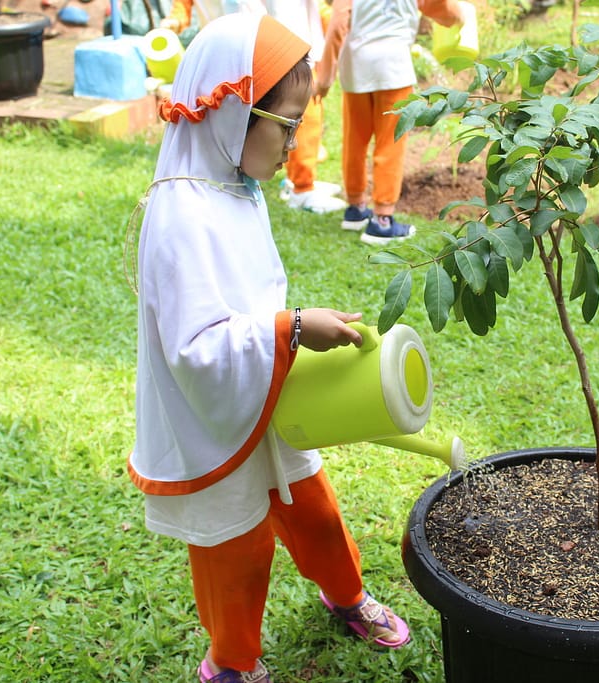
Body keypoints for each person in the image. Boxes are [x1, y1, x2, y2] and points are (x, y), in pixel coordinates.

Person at [129, 14, 410, 683]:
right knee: (235, 544)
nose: (294, 141)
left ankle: (344, 594)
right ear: (229, 110)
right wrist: (288, 330)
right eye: (284, 124)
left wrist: (291, 331)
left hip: (263, 388)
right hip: (215, 415)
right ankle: (230, 661)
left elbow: (253, 290)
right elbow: (195, 350)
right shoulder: (179, 216)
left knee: (312, 505)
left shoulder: (236, 186)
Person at [161, 0, 346, 214]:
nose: (292, 143)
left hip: (283, 51)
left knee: (303, 120)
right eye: (288, 128)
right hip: (257, 58)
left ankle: (303, 179)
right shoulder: (190, 218)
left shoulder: (243, 193)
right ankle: (302, 186)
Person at [315, 0, 463, 244]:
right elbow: (442, 9)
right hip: (393, 66)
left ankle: (355, 208)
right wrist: (459, 17)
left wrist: (325, 77)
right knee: (391, 142)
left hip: (356, 66)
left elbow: (338, 21)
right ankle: (382, 220)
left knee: (355, 139)